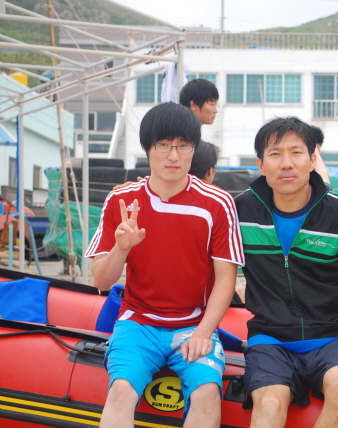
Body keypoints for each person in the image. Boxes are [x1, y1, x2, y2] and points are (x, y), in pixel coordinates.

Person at [85, 103, 244, 428]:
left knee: (207, 394)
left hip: (194, 324)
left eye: (183, 146)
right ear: (147, 148)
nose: (174, 156)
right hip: (137, 323)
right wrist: (121, 248)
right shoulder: (121, 201)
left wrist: (204, 333)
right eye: (163, 145)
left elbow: (225, 280)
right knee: (120, 391)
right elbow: (101, 280)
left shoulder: (218, 203)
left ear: (193, 149)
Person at [235, 116, 338, 428]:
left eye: (296, 152)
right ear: (260, 164)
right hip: (269, 338)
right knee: (268, 404)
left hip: (333, 336)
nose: (286, 163)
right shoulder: (239, 212)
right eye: (275, 154)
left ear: (313, 160)